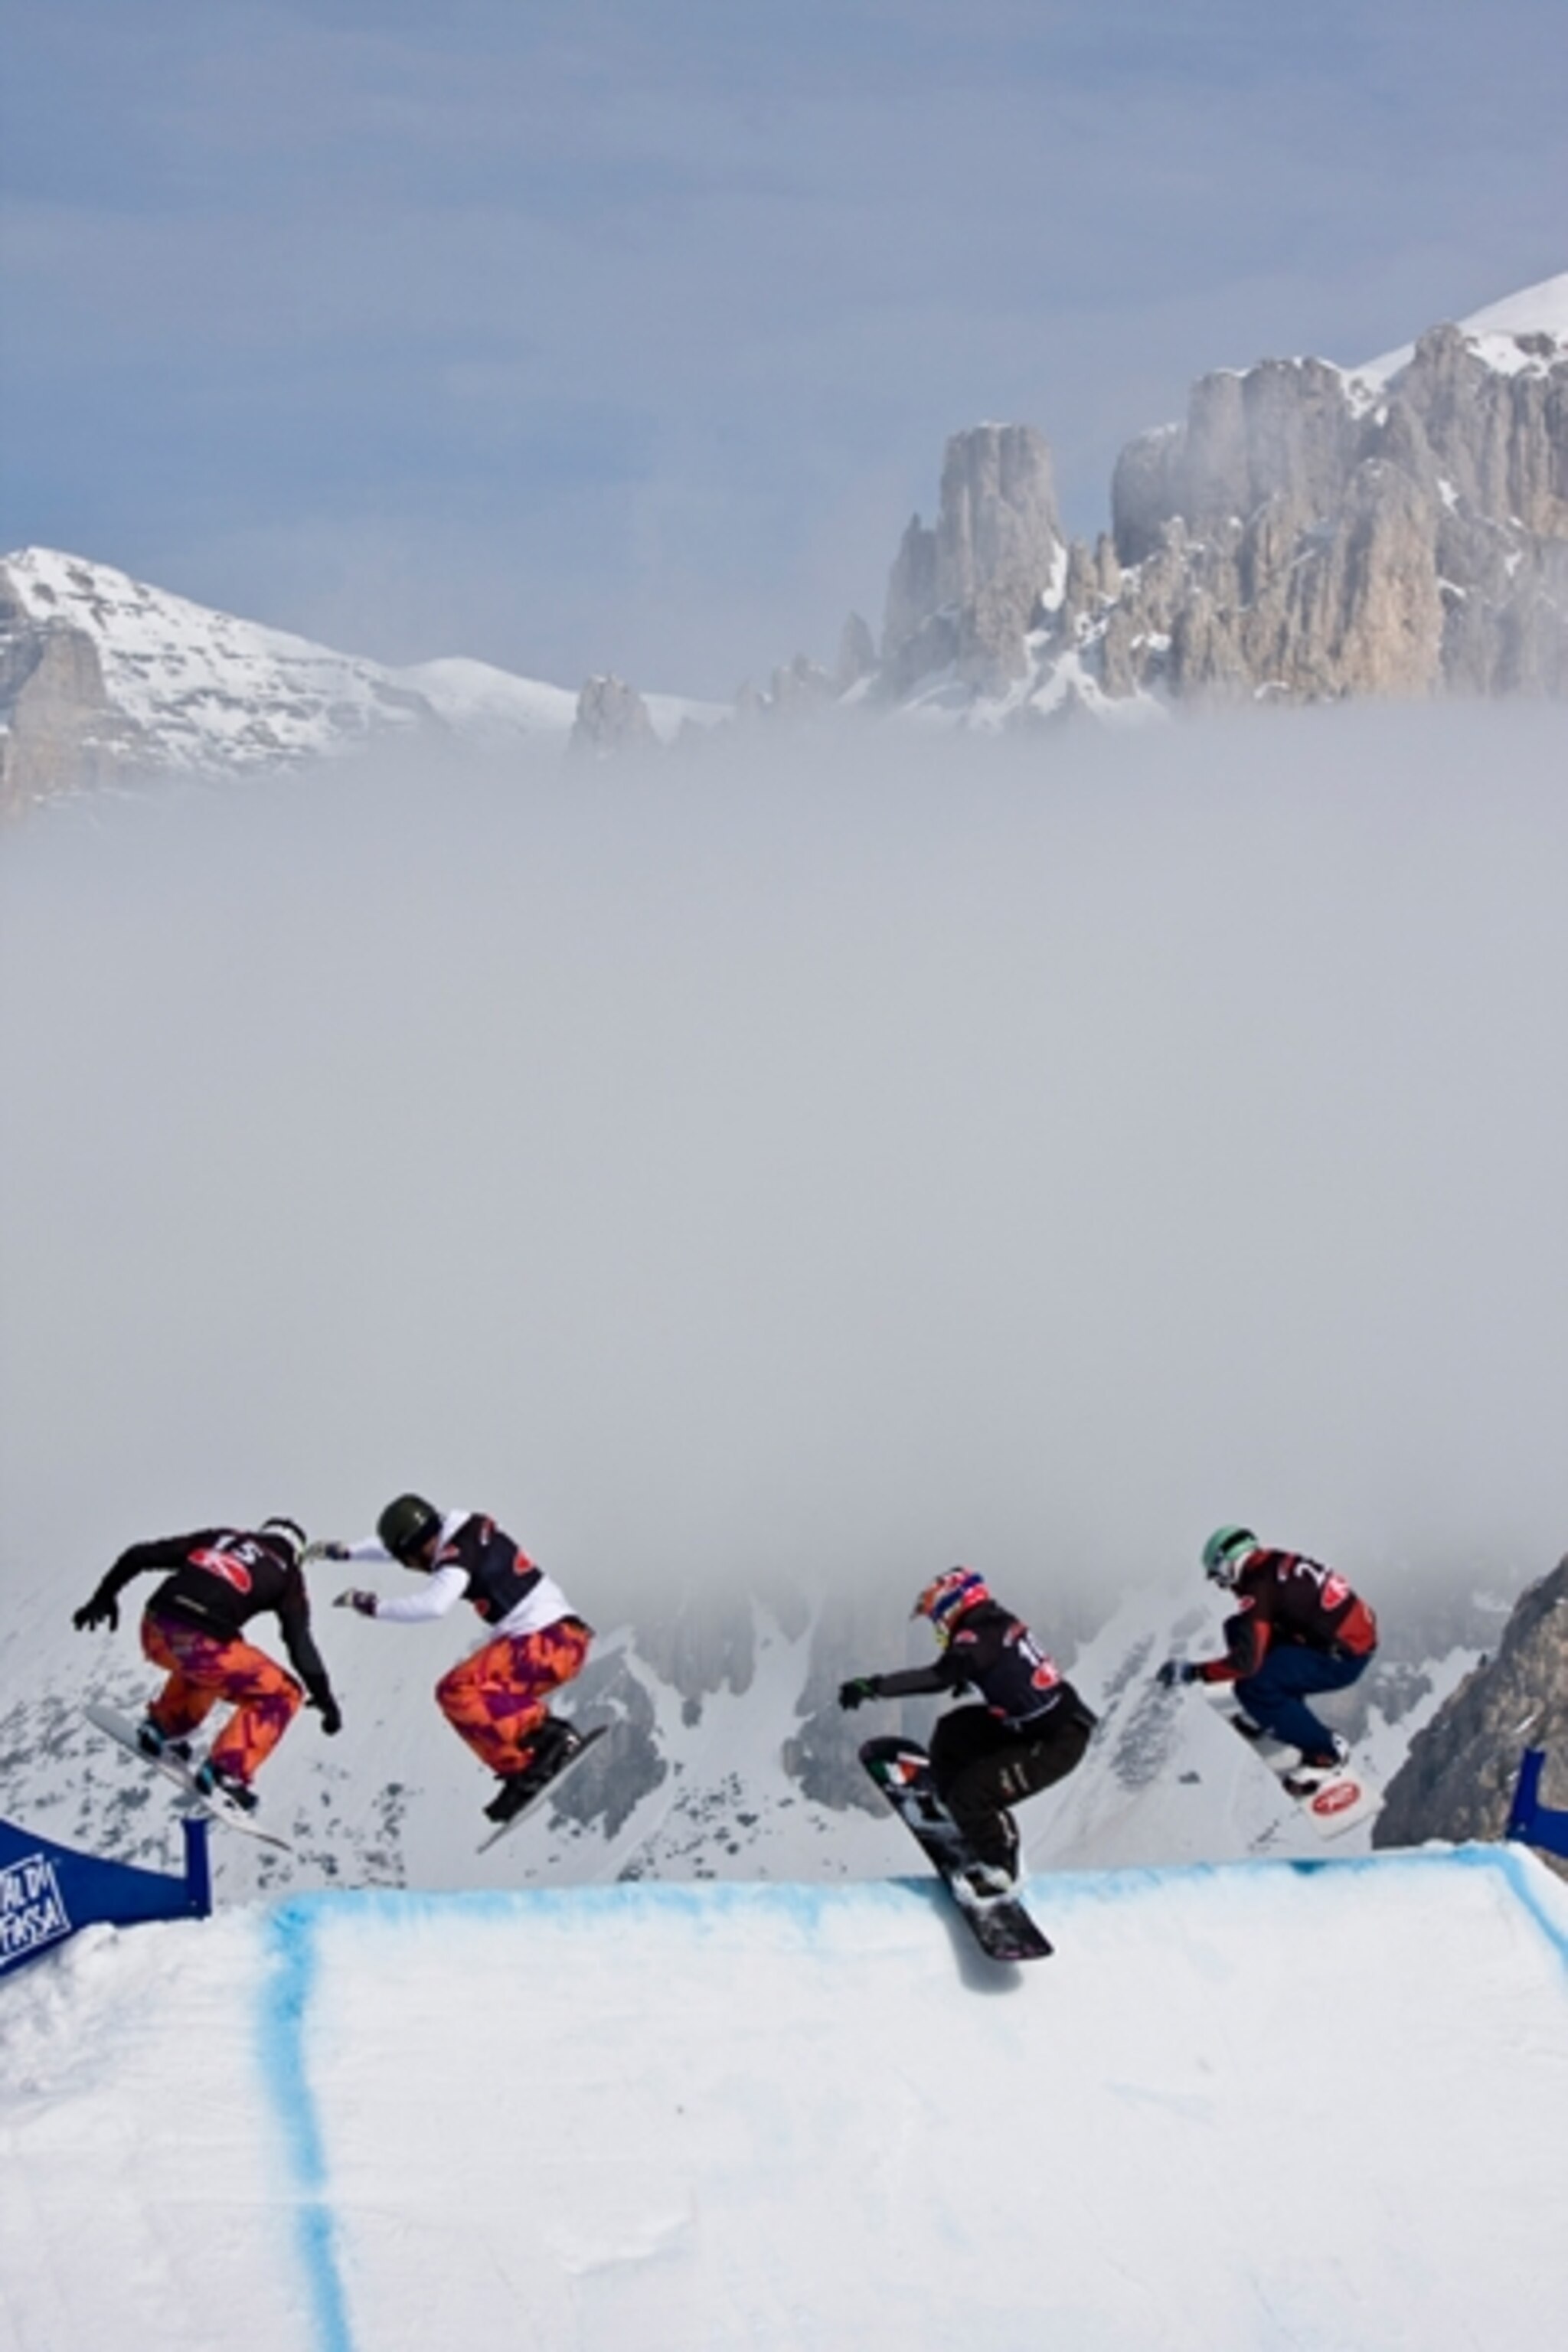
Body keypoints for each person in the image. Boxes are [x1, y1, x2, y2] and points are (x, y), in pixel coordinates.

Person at [321, 1494, 594, 1824]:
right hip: (561, 1641)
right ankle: (529, 1762)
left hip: (548, 1643)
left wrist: (371, 1605)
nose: (415, 1569)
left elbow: (433, 1606)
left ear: (418, 1550)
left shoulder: (455, 1558)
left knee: (457, 1689)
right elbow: (394, 1545)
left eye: (409, 1562)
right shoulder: (457, 1526)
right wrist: (345, 1552)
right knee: (480, 1695)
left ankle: (548, 1742)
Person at [838, 1567, 1097, 1895]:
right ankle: (954, 1806)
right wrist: (969, 1675)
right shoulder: (992, 1620)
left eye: (938, 1617)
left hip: (1055, 1743)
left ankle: (1002, 1866)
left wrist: (874, 1687)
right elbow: (1004, 1662)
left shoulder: (975, 1638)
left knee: (973, 1794)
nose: (939, 1626)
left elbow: (936, 1678)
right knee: (953, 1731)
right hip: (1027, 1724)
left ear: (954, 1605)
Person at [71, 1516, 342, 1811]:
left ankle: (164, 1727)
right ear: (299, 1553)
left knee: (215, 1664)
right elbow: (299, 1643)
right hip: (203, 1644)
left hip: (155, 1630)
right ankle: (227, 1773)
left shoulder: (221, 1537)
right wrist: (326, 1700)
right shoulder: (288, 1572)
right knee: (284, 1691)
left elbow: (138, 1555)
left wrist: (103, 1597)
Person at [1157, 1525, 1379, 1786]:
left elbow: (1246, 1663)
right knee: (1238, 1628)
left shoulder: (1257, 1585)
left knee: (1253, 1688)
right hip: (1344, 1641)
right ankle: (1284, 1713)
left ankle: (1326, 1753)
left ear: (1228, 1564)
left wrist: (1193, 1672)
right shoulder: (1271, 1563)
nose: (1222, 1586)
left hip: (1342, 1659)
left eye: (1219, 1577)